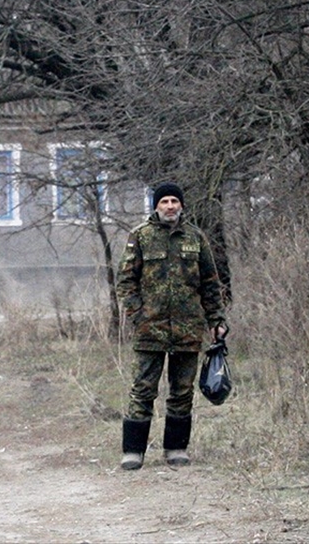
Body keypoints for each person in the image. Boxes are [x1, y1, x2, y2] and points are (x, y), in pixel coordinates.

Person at [117, 183, 228, 470]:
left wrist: (216, 320)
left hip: (187, 328)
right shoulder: (140, 236)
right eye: (164, 201)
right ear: (156, 206)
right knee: (142, 390)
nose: (169, 206)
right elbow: (126, 281)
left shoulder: (195, 237)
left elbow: (210, 284)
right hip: (149, 330)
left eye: (174, 201)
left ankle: (176, 448)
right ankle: (133, 452)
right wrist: (137, 315)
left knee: (182, 391)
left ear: (181, 206)